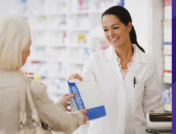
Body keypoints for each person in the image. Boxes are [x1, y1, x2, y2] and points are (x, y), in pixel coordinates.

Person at [69, 6, 164, 134]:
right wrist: (77, 86)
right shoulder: (95, 60)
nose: (110, 34)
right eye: (105, 29)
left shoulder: (148, 62)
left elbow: (153, 108)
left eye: (115, 27)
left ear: (128, 26)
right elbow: (83, 106)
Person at [0, 15, 89, 134]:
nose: (29, 52)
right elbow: (63, 124)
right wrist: (78, 117)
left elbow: (34, 115)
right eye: (29, 45)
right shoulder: (31, 89)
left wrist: (58, 107)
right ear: (20, 48)